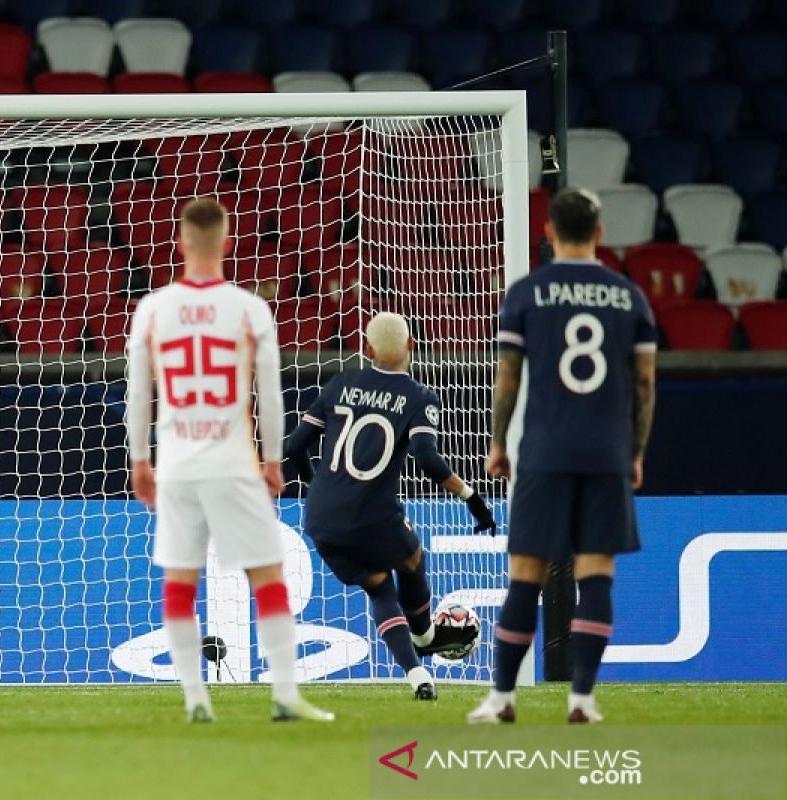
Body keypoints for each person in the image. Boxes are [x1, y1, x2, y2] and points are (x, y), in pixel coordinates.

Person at [126, 197, 333, 723]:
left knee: (180, 582)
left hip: (177, 462)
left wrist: (140, 458)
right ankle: (285, 695)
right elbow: (270, 391)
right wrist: (271, 458)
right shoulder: (249, 309)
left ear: (179, 242)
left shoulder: (153, 308)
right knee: (267, 577)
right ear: (226, 241)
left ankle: (196, 699)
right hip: (233, 460)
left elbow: (137, 394)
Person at [467, 188, 657, 724]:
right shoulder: (629, 297)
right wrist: (635, 451)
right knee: (595, 574)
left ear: (548, 233)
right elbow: (644, 385)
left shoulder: (527, 293)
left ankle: (502, 699)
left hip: (545, 450)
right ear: (599, 234)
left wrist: (499, 442)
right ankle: (582, 700)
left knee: (526, 574)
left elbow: (508, 377)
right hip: (605, 452)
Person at [283, 312, 497, 700]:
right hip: (371, 514)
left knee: (380, 586)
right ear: (412, 345)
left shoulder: (341, 382)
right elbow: (428, 461)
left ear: (368, 349)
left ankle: (418, 676)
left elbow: (293, 447)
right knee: (412, 557)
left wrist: (317, 486)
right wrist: (473, 499)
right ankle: (426, 636)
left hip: (321, 517)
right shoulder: (418, 397)